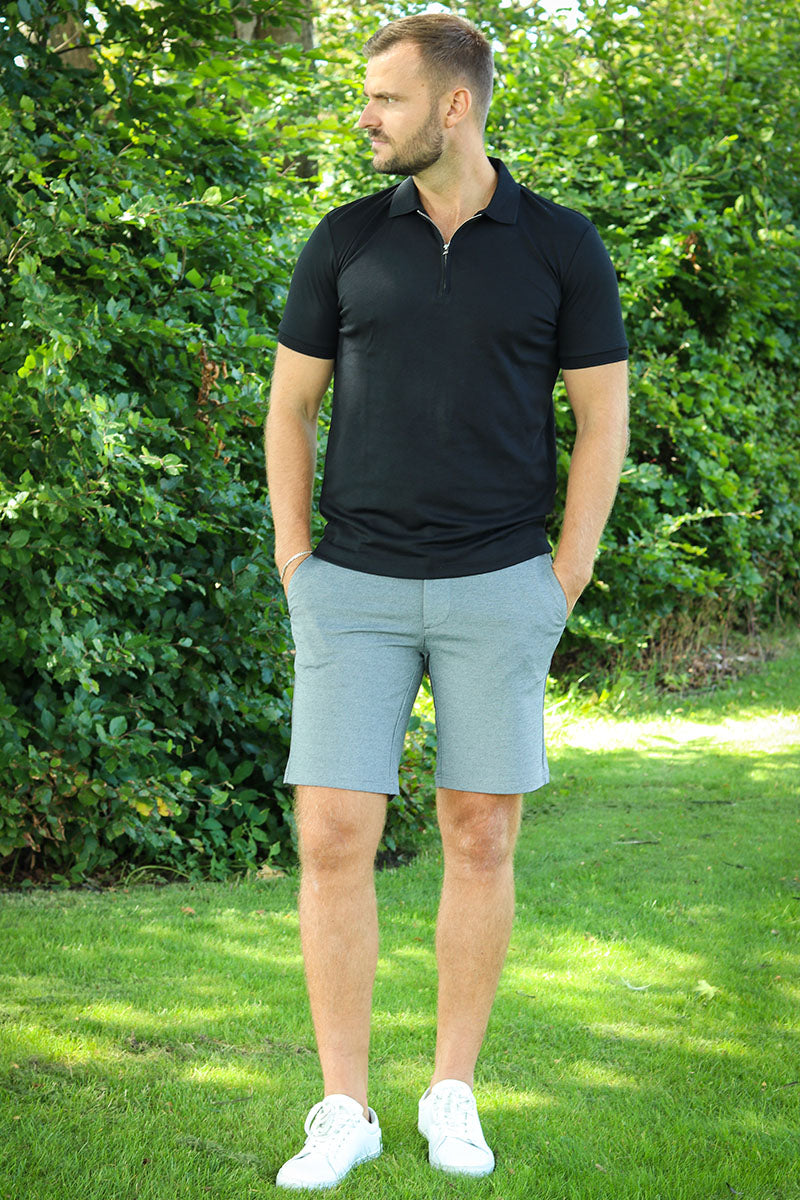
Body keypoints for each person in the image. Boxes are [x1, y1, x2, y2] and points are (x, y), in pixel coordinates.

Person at [264, 11, 629, 1190]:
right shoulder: (344, 240)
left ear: (454, 105)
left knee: (479, 837)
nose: (365, 116)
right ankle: (343, 1110)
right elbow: (289, 409)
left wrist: (562, 575)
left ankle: (450, 1095)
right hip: (354, 589)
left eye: (386, 97)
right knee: (332, 838)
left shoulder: (560, 245)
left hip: (497, 585)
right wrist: (297, 561)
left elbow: (601, 421)